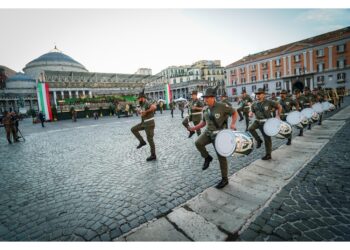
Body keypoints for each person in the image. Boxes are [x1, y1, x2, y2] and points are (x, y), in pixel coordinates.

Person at [188, 87, 238, 189]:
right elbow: (203, 123)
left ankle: (225, 179)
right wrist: (194, 128)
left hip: (219, 135)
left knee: (221, 157)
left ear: (213, 97)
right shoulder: (205, 109)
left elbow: (234, 112)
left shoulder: (222, 106)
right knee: (198, 143)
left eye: (207, 98)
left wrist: (232, 124)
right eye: (205, 98)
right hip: (208, 133)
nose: (205, 100)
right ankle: (207, 157)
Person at [248, 88, 282, 160]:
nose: (258, 95)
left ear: (263, 95)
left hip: (266, 122)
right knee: (250, 128)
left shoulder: (269, 102)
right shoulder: (254, 103)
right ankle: (259, 140)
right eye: (257, 94)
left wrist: (278, 115)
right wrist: (250, 113)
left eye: (259, 94)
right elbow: (252, 111)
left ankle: (268, 154)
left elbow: (279, 106)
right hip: (257, 121)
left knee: (267, 139)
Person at [131, 89, 157, 161]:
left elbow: (154, 107)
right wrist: (140, 112)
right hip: (144, 123)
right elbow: (143, 113)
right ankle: (142, 141)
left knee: (150, 139)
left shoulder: (147, 102)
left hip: (149, 124)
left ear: (142, 98)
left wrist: (145, 111)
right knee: (133, 129)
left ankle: (153, 155)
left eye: (139, 98)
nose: (138, 99)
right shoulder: (142, 104)